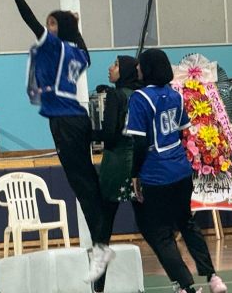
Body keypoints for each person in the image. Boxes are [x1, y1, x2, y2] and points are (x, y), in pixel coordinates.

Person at [0, 0, 112, 280]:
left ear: (60, 30)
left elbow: (30, 21)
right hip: (76, 118)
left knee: (84, 188)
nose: (48, 28)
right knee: (87, 183)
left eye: (53, 23)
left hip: (65, 122)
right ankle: (101, 243)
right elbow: (83, 47)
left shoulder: (56, 46)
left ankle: (101, 246)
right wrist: (75, 25)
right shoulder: (78, 54)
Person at [125, 49, 228, 293]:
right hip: (181, 171)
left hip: (156, 174)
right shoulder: (175, 95)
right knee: (187, 223)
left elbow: (139, 142)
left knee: (160, 234)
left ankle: (185, 286)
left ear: (147, 68)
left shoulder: (140, 98)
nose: (137, 68)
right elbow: (182, 132)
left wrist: (134, 174)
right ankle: (213, 277)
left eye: (140, 65)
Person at [91, 55, 142, 293]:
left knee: (104, 226)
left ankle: (98, 285)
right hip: (139, 165)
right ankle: (181, 282)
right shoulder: (141, 95)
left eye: (116, 64)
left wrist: (87, 133)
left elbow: (109, 134)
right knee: (151, 227)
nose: (110, 68)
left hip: (116, 163)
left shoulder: (115, 96)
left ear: (125, 71)